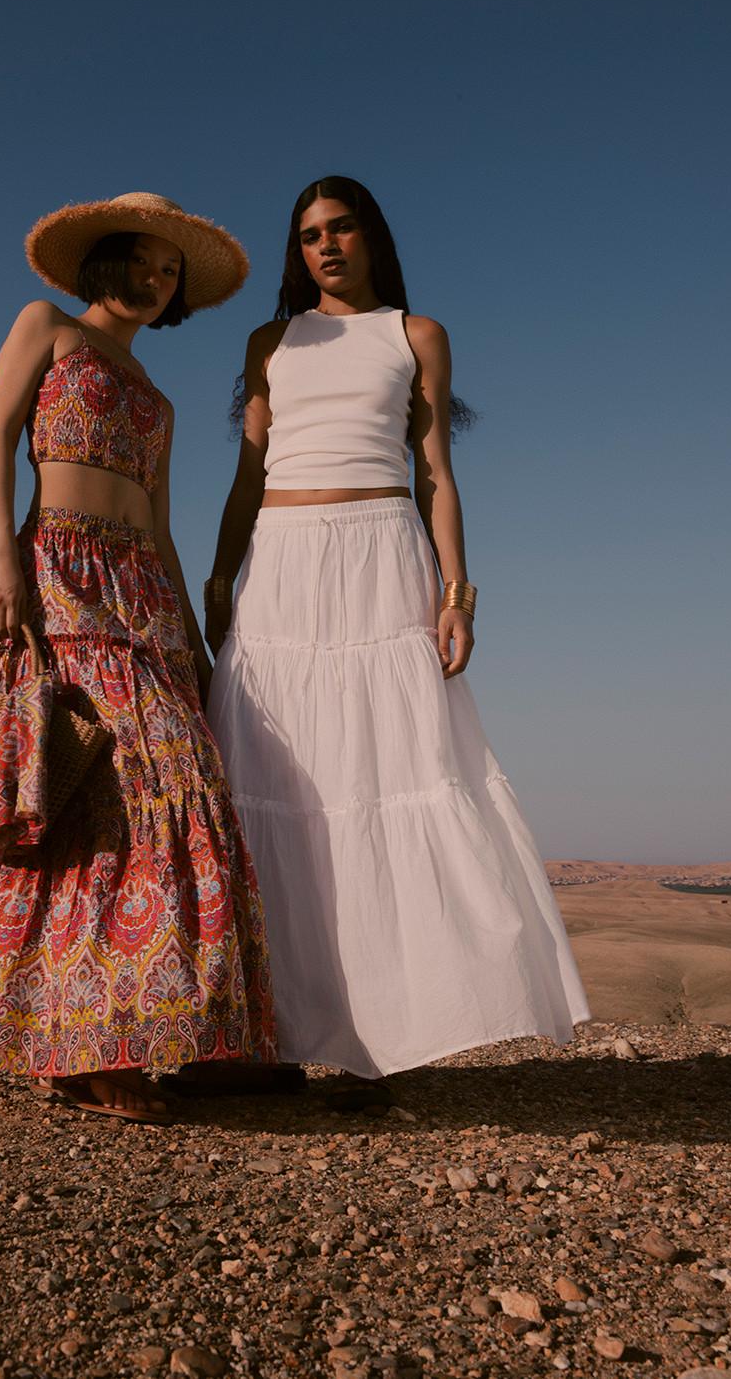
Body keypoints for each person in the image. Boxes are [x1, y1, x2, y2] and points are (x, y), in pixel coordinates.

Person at [202, 176, 589, 1109]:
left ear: (370, 236)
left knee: (380, 787)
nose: (324, 247)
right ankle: (263, 1040)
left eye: (339, 230)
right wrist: (218, 580)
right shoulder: (270, 343)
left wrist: (456, 595)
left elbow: (436, 476)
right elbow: (249, 476)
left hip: (381, 562)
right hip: (283, 569)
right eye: (307, 237)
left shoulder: (416, 336)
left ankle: (386, 1045)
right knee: (269, 794)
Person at [0, 191, 277, 1123]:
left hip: (143, 602)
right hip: (59, 577)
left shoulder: (157, 396)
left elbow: (159, 523)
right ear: (107, 261)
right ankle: (76, 1047)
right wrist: (1, 560)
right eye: (147, 264)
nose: (159, 283)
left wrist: (195, 638)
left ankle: (148, 1030)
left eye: (173, 275)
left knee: (178, 789)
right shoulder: (44, 326)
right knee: (77, 795)